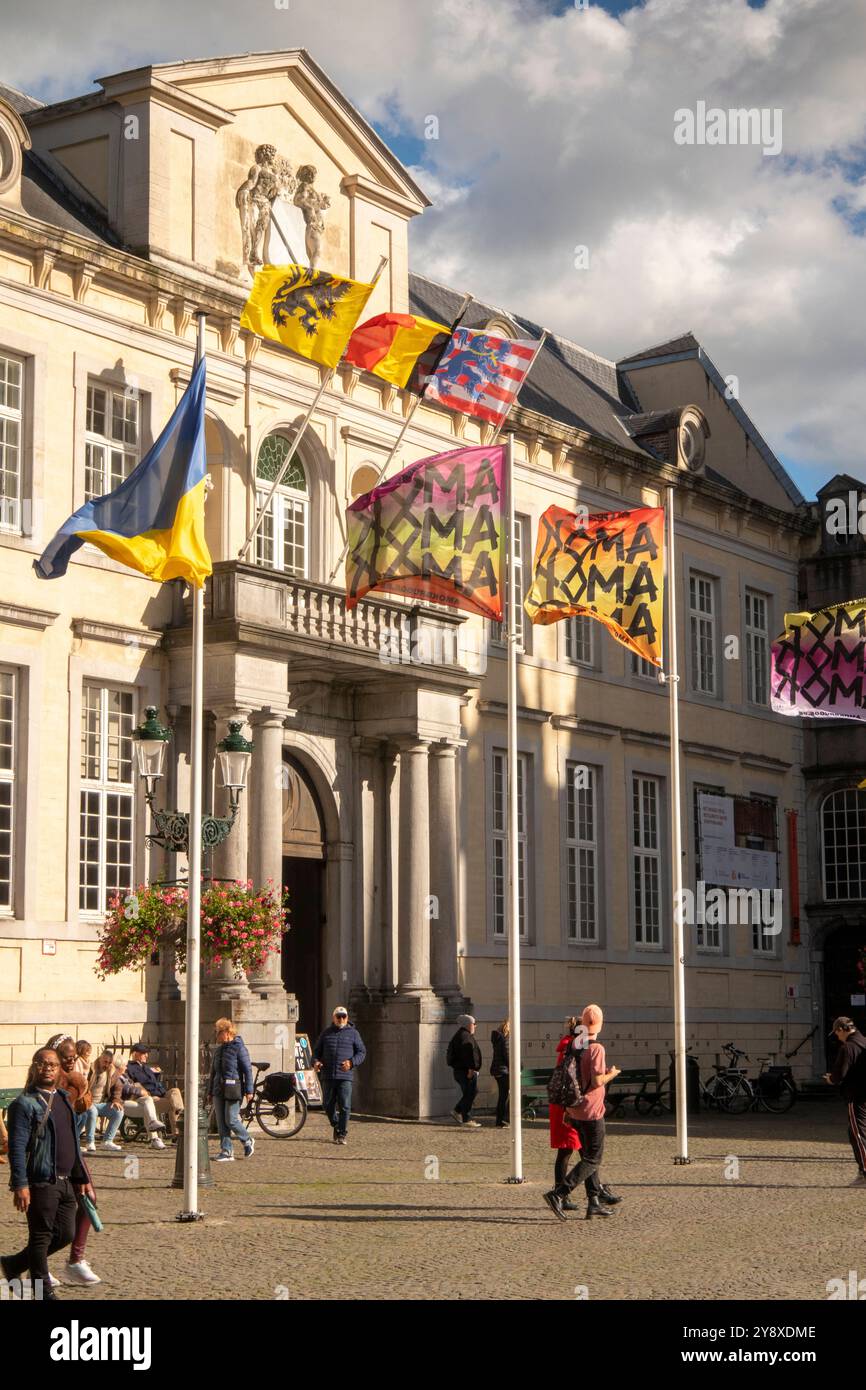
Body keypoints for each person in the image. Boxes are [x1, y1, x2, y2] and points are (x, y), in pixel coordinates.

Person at [1, 1048, 96, 1301]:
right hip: (41, 1180)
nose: (48, 1068)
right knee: (41, 1235)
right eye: (42, 1064)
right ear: (34, 1068)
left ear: (59, 1069)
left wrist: (81, 1179)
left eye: (52, 1064)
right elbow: (17, 1148)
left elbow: (73, 1142)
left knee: (66, 1233)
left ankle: (13, 1264)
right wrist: (20, 1184)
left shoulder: (64, 1098)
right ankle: (43, 1291)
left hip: (65, 1180)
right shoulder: (24, 1104)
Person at [543, 1004, 623, 1221]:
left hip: (574, 1107)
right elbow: (597, 1081)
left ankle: (594, 1201)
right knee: (592, 1159)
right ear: (600, 1024)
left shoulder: (574, 1045)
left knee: (587, 1156)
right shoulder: (597, 1048)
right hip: (591, 1110)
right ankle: (558, 1193)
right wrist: (612, 1074)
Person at [52, 1038, 102, 1285]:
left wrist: (82, 1089)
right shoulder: (53, 1080)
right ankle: (34, 1263)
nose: (71, 1059)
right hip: (54, 1153)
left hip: (71, 1147)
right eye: (66, 1055)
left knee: (88, 1199)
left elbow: (82, 1108)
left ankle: (75, 1260)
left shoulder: (74, 1077)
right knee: (49, 1212)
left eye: (73, 1056)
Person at [313, 1007, 366, 1145]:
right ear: (334, 1018)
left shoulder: (354, 1034)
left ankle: (342, 1134)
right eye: (338, 1016)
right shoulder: (326, 1033)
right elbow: (316, 1052)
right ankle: (336, 1124)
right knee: (327, 1104)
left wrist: (351, 1062)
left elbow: (361, 1052)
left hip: (345, 1076)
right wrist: (316, 1062)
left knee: (345, 1106)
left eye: (343, 1017)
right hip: (328, 1075)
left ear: (347, 1018)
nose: (341, 1019)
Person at [824, 1015, 866, 1181]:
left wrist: (830, 1079)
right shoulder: (864, 1041)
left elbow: (840, 1074)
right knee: (855, 1132)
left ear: (842, 1030)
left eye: (836, 1033)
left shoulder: (848, 1047)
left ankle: (864, 1171)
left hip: (857, 1094)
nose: (837, 1036)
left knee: (858, 1133)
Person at [207, 1018, 255, 1162]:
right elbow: (213, 1072)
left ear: (227, 1032)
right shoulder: (219, 1050)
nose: (216, 1036)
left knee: (231, 1119)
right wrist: (210, 1091)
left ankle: (247, 1140)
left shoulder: (239, 1047)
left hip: (234, 1089)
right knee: (222, 1122)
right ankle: (227, 1151)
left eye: (218, 1033)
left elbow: (247, 1070)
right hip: (218, 1089)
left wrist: (249, 1090)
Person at [549, 1017, 583, 1207]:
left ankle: (563, 1193)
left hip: (566, 1104)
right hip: (567, 1106)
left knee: (572, 1150)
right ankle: (560, 1194)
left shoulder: (568, 1046)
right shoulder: (572, 1048)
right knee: (570, 1150)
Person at [125, 1043, 184, 1139]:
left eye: (146, 1053)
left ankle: (180, 1110)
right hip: (149, 1097)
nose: (147, 1056)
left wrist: (156, 1073)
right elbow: (136, 1084)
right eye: (144, 1053)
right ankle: (177, 1133)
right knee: (172, 1104)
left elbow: (154, 1082)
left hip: (161, 1093)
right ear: (135, 1054)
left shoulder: (145, 1067)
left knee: (175, 1091)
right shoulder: (130, 1068)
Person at [85, 1049, 126, 1153]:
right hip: (87, 1102)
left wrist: (116, 1100)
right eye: (104, 1062)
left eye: (109, 1062)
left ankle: (107, 1141)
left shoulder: (111, 1071)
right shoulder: (91, 1069)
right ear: (100, 1059)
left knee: (118, 1111)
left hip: (101, 1103)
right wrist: (86, 1100)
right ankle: (90, 1141)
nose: (106, 1065)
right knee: (92, 1111)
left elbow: (118, 1087)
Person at [447, 1014, 482, 1128]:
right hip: (466, 1071)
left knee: (470, 1092)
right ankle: (466, 1118)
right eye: (474, 1024)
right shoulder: (465, 1036)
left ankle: (457, 1111)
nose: (475, 1026)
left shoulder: (462, 1035)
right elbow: (468, 1054)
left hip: (462, 1070)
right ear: (468, 1025)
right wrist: (471, 1069)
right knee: (470, 1093)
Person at [490, 1019, 510, 1128]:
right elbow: (508, 1055)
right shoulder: (505, 1039)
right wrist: (517, 1067)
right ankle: (505, 1119)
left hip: (498, 1070)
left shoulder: (497, 1038)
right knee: (509, 1095)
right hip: (504, 1070)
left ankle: (500, 1120)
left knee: (503, 1096)